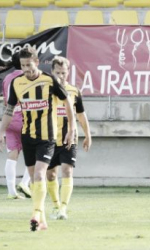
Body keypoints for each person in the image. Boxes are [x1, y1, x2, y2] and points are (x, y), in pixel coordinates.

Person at [0, 47, 75, 231]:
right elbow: (9, 110)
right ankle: (41, 219)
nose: (26, 69)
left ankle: (35, 214)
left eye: (29, 65)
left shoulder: (49, 80)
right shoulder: (17, 83)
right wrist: (1, 130)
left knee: (40, 174)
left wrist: (72, 129)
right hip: (28, 136)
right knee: (34, 178)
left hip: (47, 137)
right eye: (23, 65)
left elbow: (67, 103)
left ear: (37, 62)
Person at [46, 56, 92, 220]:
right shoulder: (46, 91)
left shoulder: (74, 91)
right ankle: (56, 205)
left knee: (67, 170)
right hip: (49, 140)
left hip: (69, 139)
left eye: (63, 73)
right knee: (51, 175)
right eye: (57, 73)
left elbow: (81, 114)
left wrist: (88, 134)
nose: (60, 76)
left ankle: (63, 208)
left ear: (68, 72)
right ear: (52, 72)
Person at [2, 52, 31, 199]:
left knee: (12, 155)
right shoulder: (27, 77)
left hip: (9, 117)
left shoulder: (7, 77)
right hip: (24, 117)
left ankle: (11, 192)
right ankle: (25, 183)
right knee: (37, 152)